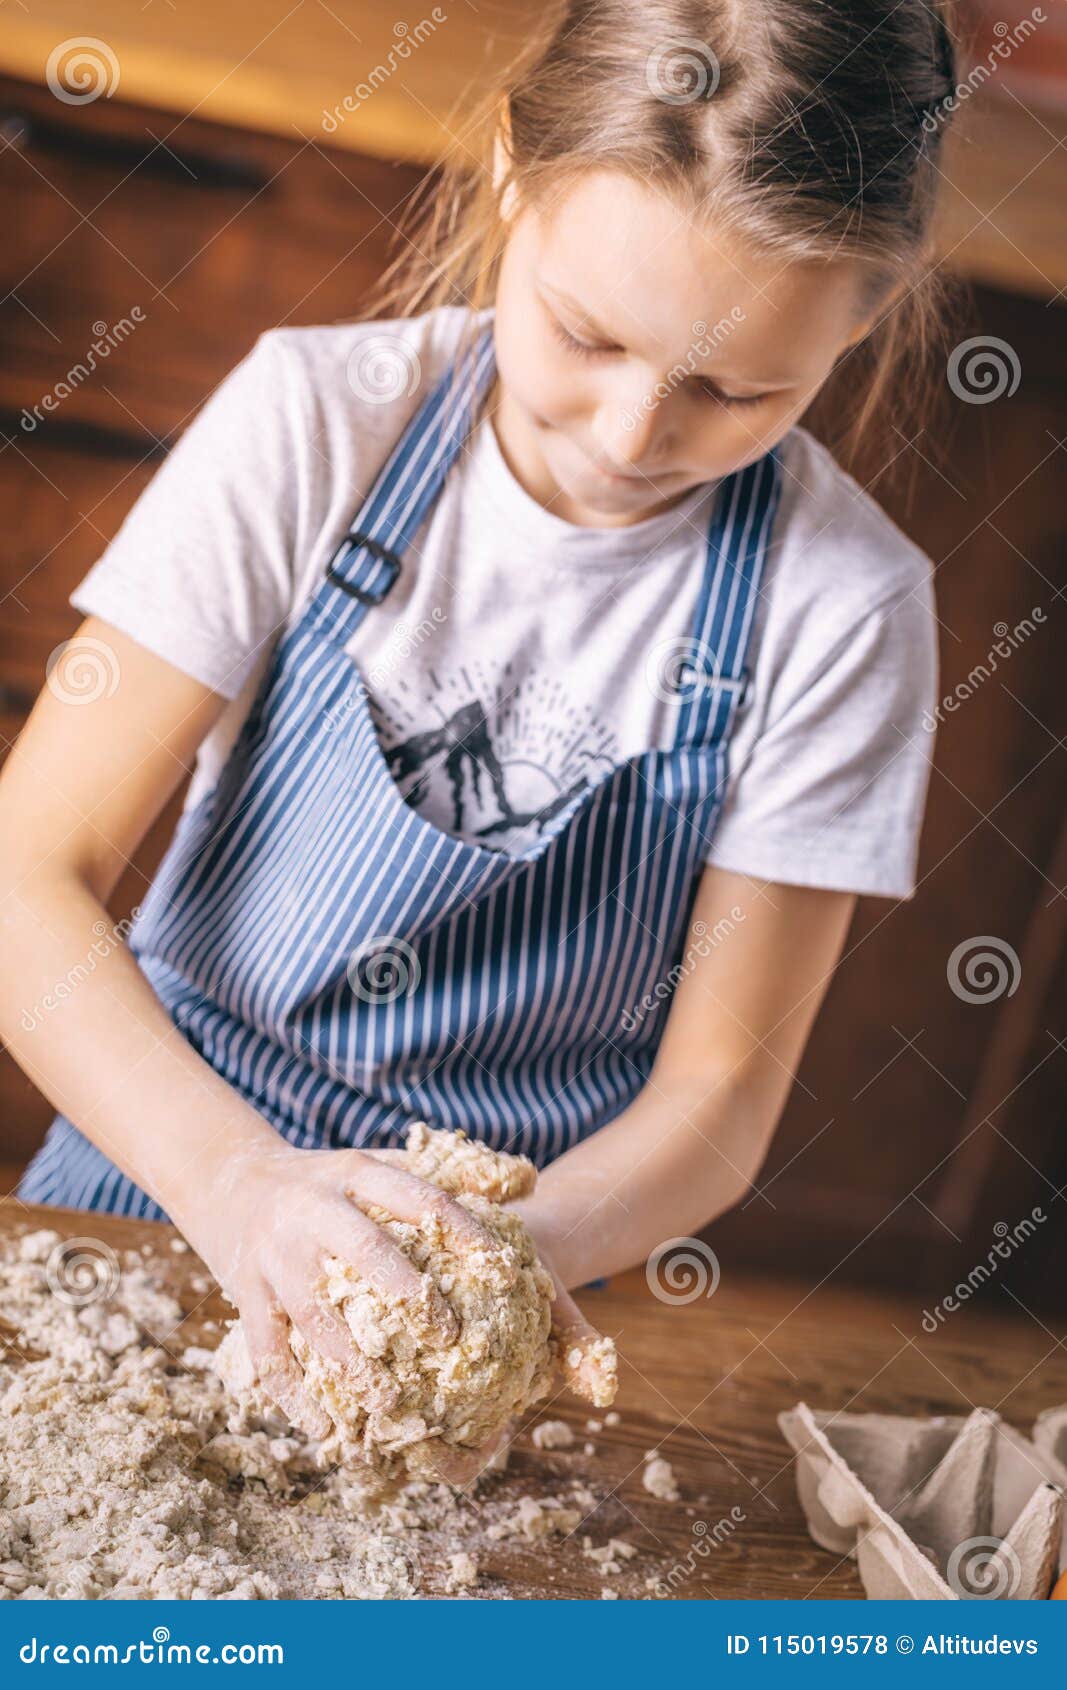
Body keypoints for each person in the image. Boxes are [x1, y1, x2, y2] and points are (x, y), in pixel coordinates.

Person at [0, 1, 955, 1446]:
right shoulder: (320, 424)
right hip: (158, 1188)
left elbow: (716, 1102)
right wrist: (238, 1185)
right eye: (588, 334)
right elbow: (26, 877)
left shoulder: (845, 611)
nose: (635, 436)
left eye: (733, 388)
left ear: (869, 306)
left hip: (481, 1302)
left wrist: (487, 1270)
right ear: (513, 168)